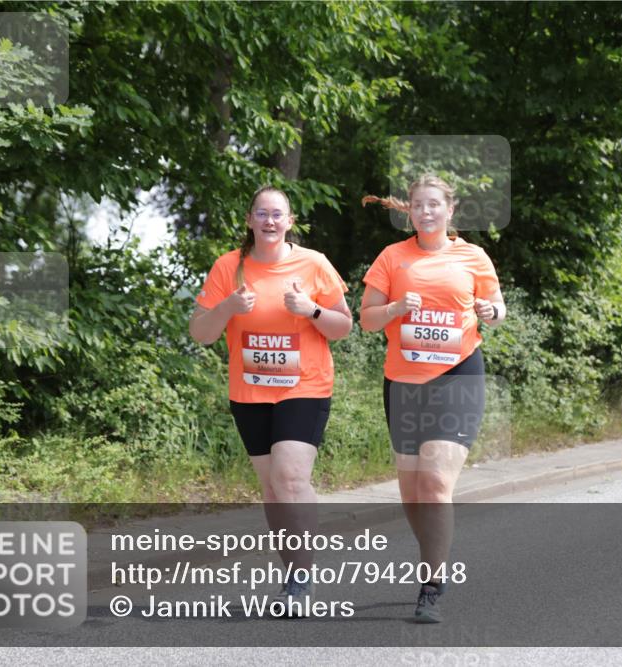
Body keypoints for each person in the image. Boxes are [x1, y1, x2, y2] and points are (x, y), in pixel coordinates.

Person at [189, 185, 351, 613]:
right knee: (272, 488)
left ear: (290, 222)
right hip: (251, 392)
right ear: (249, 220)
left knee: (291, 479)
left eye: (277, 214)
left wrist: (310, 310)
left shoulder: (313, 264)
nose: (269, 221)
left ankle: (302, 577)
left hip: (305, 387)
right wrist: (227, 307)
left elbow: (343, 327)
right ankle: (291, 572)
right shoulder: (230, 267)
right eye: (261, 214)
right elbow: (201, 334)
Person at [360, 174, 505, 623]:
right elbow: (366, 320)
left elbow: (497, 308)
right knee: (412, 492)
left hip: (458, 375)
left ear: (450, 211)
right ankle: (432, 557)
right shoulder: (392, 257)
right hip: (403, 383)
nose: (426, 212)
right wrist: (397, 309)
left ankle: (432, 583)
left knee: (436, 485)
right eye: (418, 205)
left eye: (434, 205)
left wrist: (489, 311)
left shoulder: (473, 256)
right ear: (409, 211)